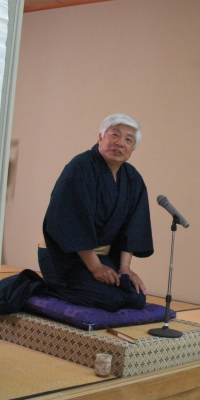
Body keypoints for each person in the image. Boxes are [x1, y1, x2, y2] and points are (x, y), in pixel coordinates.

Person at [39, 114, 153, 312]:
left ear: (132, 149)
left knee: (136, 298)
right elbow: (72, 223)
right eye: (115, 135)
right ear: (101, 137)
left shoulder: (132, 178)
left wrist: (125, 268)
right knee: (110, 300)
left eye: (128, 140)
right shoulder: (79, 168)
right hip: (63, 256)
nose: (120, 143)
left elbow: (133, 227)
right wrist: (95, 267)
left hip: (101, 257)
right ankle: (41, 287)